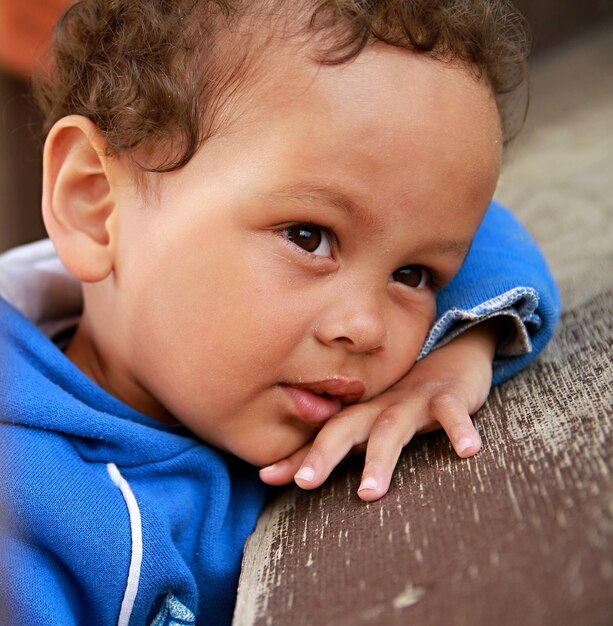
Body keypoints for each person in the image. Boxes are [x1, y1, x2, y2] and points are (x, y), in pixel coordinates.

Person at [0, 0, 560, 624]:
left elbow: (486, 235)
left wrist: (456, 355)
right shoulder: (28, 524)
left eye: (414, 275)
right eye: (307, 237)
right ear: (95, 203)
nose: (368, 328)